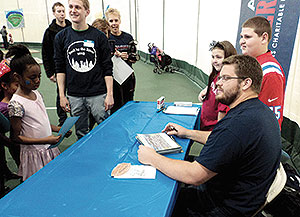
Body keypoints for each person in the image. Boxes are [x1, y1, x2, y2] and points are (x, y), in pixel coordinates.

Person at [138, 55, 282, 216]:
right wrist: (188, 133)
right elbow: (225, 142)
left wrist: (152, 158)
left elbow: (194, 175)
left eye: (225, 78)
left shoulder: (237, 124)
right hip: (246, 198)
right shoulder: (259, 112)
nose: (218, 83)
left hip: (223, 208)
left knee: (152, 204)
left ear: (246, 83)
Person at [54, 0, 114, 139]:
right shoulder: (61, 38)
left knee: (106, 127)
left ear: (87, 12)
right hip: (75, 95)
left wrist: (109, 94)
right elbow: (60, 68)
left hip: (98, 93)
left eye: (77, 7)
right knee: (81, 132)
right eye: (71, 7)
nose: (73, 10)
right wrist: (62, 96)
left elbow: (107, 68)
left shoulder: (98, 37)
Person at [8, 47, 62, 181]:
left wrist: (57, 129)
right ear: (17, 77)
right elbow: (17, 137)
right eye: (32, 77)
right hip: (34, 154)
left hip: (48, 148)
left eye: (39, 76)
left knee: (52, 180)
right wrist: (45, 140)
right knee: (38, 184)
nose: (37, 80)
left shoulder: (37, 94)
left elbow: (39, 121)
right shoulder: (16, 103)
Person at [240, 16, 286, 129]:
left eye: (247, 37)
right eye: (241, 37)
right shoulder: (250, 64)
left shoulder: (270, 72)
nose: (241, 41)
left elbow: (270, 122)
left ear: (264, 38)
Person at [42, 2, 72, 126]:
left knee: (75, 92)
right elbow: (46, 54)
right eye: (58, 11)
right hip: (59, 69)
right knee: (61, 92)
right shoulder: (49, 32)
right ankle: (62, 119)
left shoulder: (72, 27)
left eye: (63, 11)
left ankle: (77, 115)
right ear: (54, 13)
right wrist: (50, 73)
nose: (61, 13)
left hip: (72, 66)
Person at [198, 41, 236, 131]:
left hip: (213, 128)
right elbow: (212, 87)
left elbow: (222, 111)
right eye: (213, 57)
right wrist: (205, 91)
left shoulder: (226, 83)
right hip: (205, 122)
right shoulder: (216, 74)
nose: (214, 61)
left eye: (218, 57)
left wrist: (218, 132)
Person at [105, 8, 137, 113]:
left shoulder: (128, 37)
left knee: (129, 104)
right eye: (111, 21)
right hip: (113, 78)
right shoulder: (106, 38)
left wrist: (128, 56)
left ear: (120, 21)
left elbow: (134, 58)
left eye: (116, 20)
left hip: (127, 77)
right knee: (115, 106)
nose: (114, 23)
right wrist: (112, 55)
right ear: (107, 22)